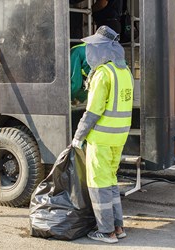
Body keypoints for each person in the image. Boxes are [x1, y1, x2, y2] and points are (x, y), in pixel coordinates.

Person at [71, 25, 134, 244]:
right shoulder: (125, 72)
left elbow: (93, 111)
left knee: (98, 184)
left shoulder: (103, 74)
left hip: (101, 138)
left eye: (94, 47)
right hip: (119, 137)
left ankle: (106, 231)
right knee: (111, 181)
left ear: (104, 49)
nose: (91, 52)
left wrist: (78, 136)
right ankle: (117, 227)